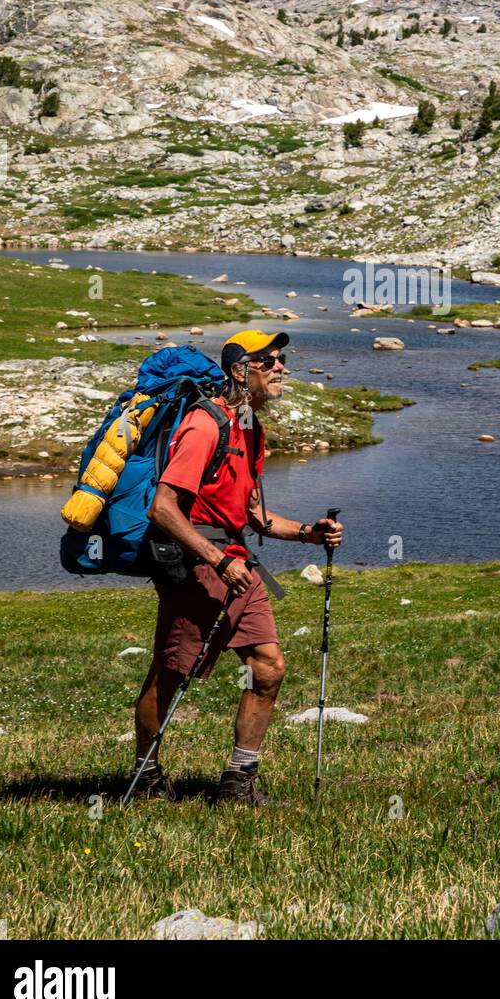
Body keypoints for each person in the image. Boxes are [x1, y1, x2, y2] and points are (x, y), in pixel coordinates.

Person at [130, 328, 343, 805]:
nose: (281, 368)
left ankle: (237, 783)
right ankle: (145, 780)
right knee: (171, 675)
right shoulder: (205, 426)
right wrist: (216, 558)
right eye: (269, 361)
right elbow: (163, 509)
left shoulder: (250, 429)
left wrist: (309, 533)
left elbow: (252, 516)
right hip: (197, 566)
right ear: (239, 370)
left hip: (238, 567)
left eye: (281, 359)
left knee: (268, 668)